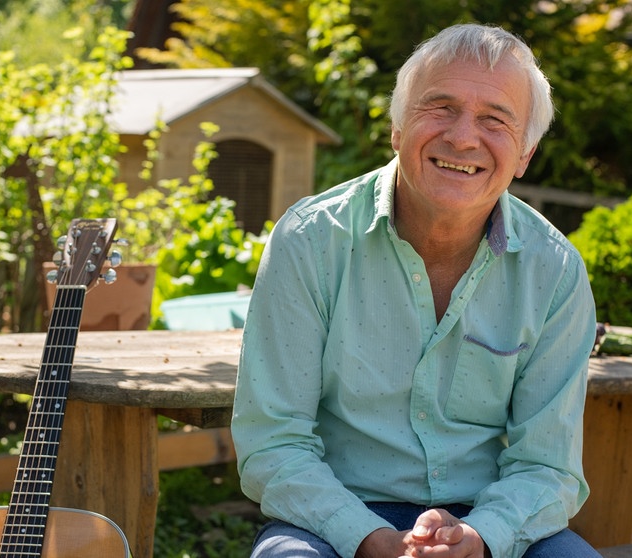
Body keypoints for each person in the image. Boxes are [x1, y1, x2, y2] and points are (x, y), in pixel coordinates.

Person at [230, 23, 600, 558]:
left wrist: (481, 538)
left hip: (490, 520)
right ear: (398, 128)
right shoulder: (310, 240)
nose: (463, 137)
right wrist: (366, 536)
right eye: (441, 108)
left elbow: (546, 466)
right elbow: (274, 442)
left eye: (495, 119)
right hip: (333, 518)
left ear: (525, 153)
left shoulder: (555, 270)